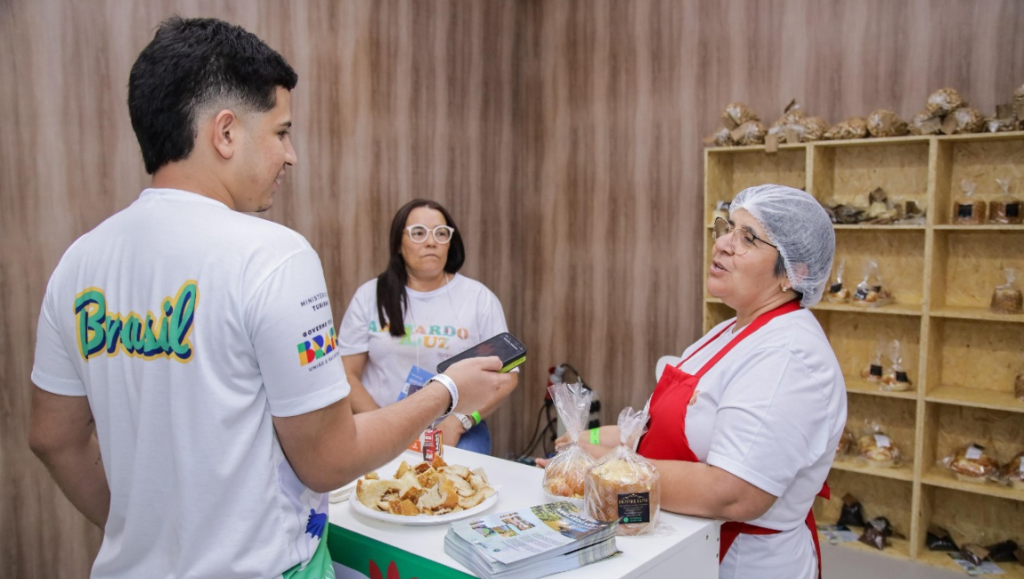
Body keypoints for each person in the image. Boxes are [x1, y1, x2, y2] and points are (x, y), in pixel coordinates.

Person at [27, 17, 512, 579]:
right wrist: (446, 392)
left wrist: (140, 532)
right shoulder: (273, 256)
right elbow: (330, 458)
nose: (291, 155)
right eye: (281, 132)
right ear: (225, 133)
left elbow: (53, 436)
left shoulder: (79, 262)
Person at [547, 184, 847, 579]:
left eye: (748, 238)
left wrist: (601, 470)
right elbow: (651, 430)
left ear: (795, 273)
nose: (722, 243)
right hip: (685, 545)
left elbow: (732, 494)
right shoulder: (729, 331)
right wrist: (583, 443)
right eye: (728, 227)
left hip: (740, 562)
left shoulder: (787, 357)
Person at [338, 200, 518, 454]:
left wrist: (458, 423)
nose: (431, 242)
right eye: (418, 233)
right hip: (381, 420)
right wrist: (384, 426)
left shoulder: (479, 298)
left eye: (441, 234)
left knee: (458, 478)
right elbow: (347, 373)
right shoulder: (370, 296)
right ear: (398, 244)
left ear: (449, 243)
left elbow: (508, 377)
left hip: (454, 424)